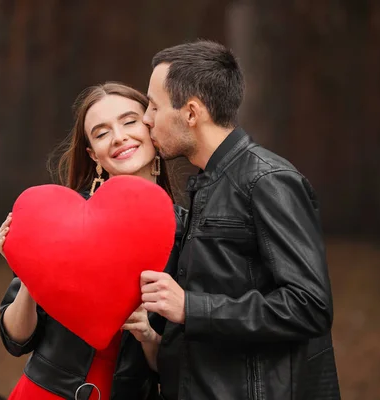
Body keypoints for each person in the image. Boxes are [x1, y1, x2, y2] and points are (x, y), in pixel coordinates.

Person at [139, 40, 341, 399]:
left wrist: (191, 307)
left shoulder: (267, 181)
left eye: (154, 106)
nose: (146, 118)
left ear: (191, 112)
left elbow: (310, 306)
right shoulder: (207, 181)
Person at [0, 82, 186, 400]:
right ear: (93, 154)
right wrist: (30, 270)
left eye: (129, 121)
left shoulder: (187, 231)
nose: (119, 137)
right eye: (101, 133)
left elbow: (177, 366)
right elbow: (15, 340)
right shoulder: (58, 220)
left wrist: (147, 334)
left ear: (152, 128)